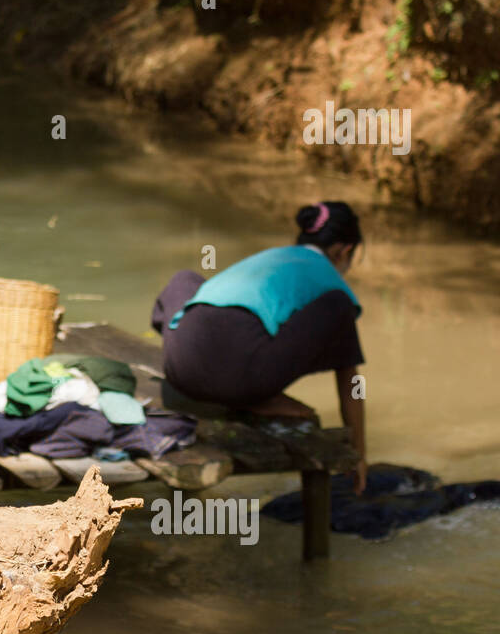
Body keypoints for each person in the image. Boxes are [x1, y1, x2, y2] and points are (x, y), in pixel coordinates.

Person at [150, 201, 369, 492]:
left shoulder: (272, 257)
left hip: (179, 366)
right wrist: (360, 453)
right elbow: (349, 377)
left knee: (186, 279)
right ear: (344, 251)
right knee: (339, 305)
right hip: (239, 379)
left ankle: (238, 387)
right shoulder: (330, 283)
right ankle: (251, 396)